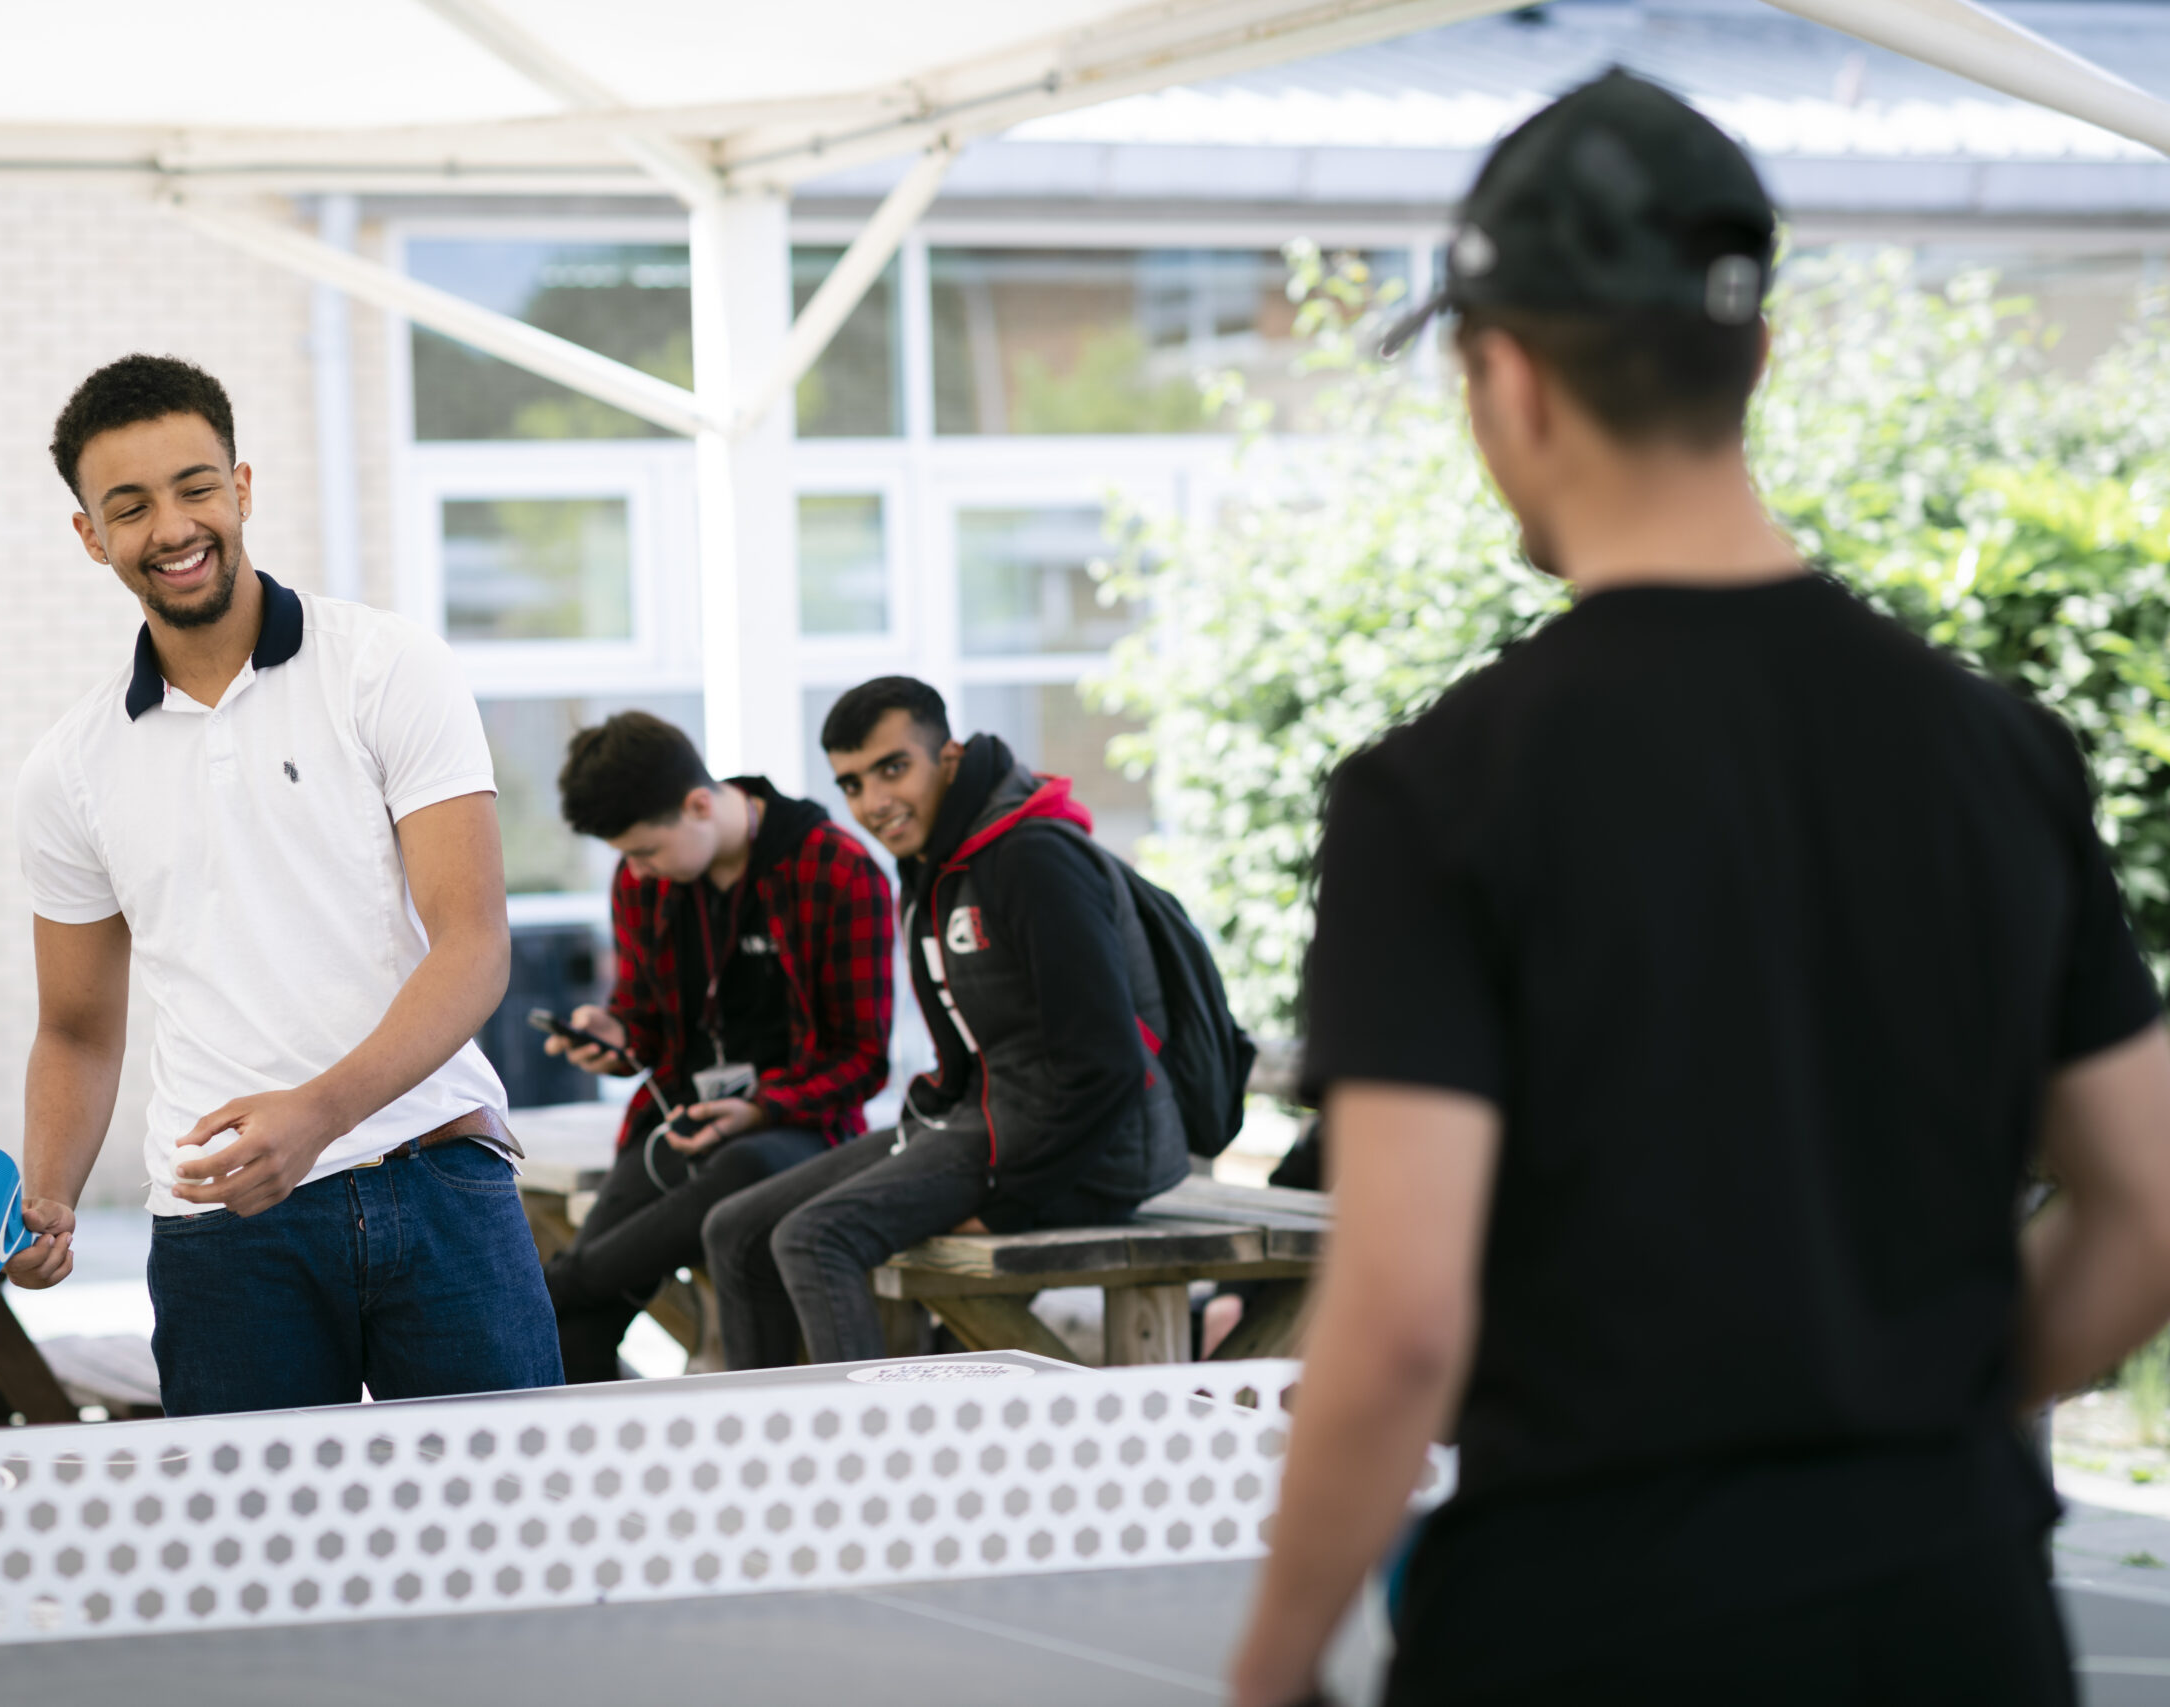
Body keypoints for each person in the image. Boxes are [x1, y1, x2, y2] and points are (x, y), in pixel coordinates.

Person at [1229, 73, 2170, 1707]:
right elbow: (2149, 1204)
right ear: (1760, 355)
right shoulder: (1999, 750)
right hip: (1959, 1622)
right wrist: (1907, 1413)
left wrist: (1270, 1667)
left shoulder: (1441, 795)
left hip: (1595, 1628)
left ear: (1506, 375)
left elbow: (1395, 1324)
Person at [5, 353, 561, 1414]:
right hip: (224, 1238)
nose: (172, 527)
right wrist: (51, 1193)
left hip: (435, 1182)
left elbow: (473, 946)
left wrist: (315, 1117)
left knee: (509, 1559)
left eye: (196, 487)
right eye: (129, 506)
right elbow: (76, 1029)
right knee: (254, 1578)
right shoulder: (67, 769)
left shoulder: (387, 667)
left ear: (243, 487)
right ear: (91, 537)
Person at [702, 677, 1191, 1366]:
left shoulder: (1031, 856)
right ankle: (767, 1454)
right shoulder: (935, 862)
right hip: (987, 1118)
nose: (874, 802)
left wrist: (1011, 1205)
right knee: (734, 1227)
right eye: (851, 783)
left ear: (950, 756)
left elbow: (1108, 1065)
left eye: (892, 768)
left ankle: (870, 1468)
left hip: (1088, 1152)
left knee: (814, 1238)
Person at [539, 711, 894, 1381]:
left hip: (799, 1134)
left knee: (747, 1167)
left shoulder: (838, 870)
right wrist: (614, 1038)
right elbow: (642, 1022)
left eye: (646, 851)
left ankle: (560, 1281)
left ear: (700, 804)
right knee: (571, 1327)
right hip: (675, 1130)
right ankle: (593, 1468)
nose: (637, 870)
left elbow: (863, 1057)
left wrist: (761, 1108)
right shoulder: (643, 880)